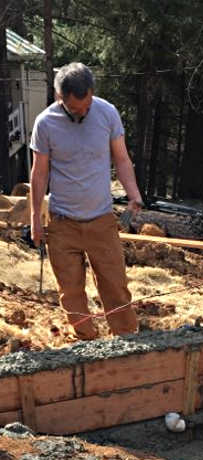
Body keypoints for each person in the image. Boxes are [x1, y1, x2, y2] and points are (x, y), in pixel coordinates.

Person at [30, 62, 143, 340]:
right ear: (60, 97)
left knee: (115, 287)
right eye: (75, 109)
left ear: (92, 93)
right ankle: (86, 343)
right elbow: (39, 172)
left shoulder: (107, 113)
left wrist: (134, 194)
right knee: (71, 292)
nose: (82, 112)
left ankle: (126, 341)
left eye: (87, 106)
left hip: (101, 221)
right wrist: (35, 218)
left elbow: (122, 159)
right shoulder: (45, 123)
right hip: (62, 223)